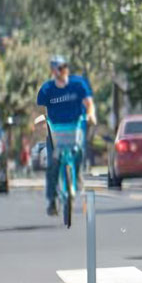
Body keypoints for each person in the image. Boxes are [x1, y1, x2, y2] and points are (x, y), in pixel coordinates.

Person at [36, 55, 95, 216]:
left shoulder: (78, 84)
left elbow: (89, 104)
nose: (63, 71)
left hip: (74, 127)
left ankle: (77, 176)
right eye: (59, 68)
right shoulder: (47, 89)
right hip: (55, 129)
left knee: (78, 153)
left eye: (65, 67)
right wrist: (41, 122)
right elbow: (40, 111)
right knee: (53, 164)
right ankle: (52, 200)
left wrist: (90, 115)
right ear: (53, 71)